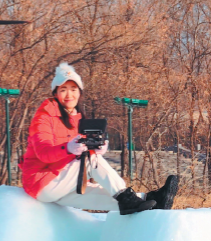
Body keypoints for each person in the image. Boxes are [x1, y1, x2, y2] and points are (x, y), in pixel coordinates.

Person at [19, 62, 178, 215]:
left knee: (99, 195)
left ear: (80, 92)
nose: (69, 95)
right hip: (42, 182)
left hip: (60, 182)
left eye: (74, 89)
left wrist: (98, 147)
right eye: (63, 89)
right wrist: (68, 148)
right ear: (55, 93)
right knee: (89, 159)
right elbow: (43, 152)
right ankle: (125, 196)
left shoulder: (77, 119)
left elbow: (82, 150)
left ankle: (150, 200)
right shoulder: (44, 117)